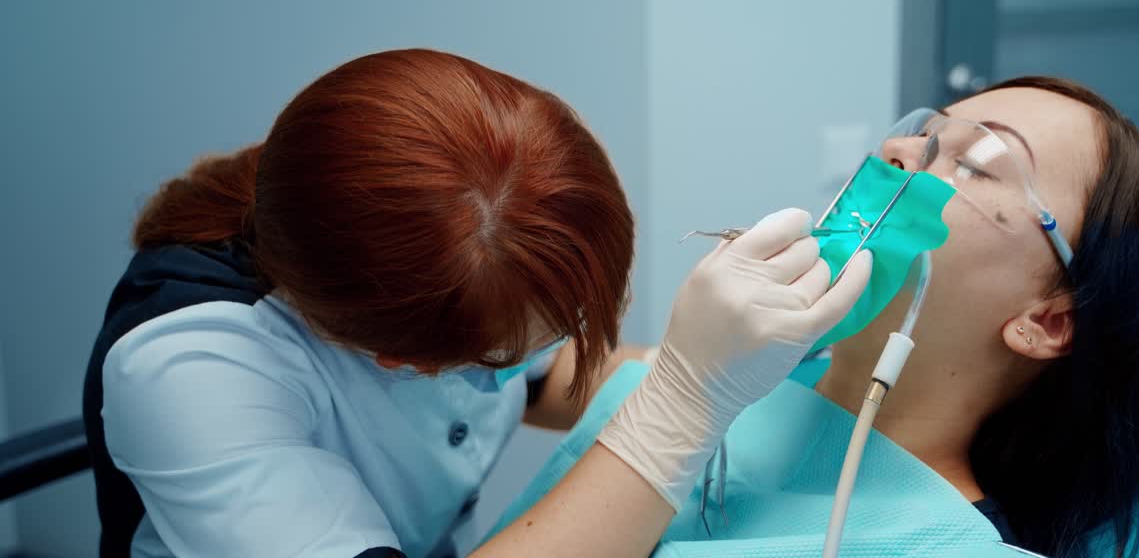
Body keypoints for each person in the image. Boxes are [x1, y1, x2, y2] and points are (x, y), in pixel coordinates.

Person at [84, 48, 872, 558]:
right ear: (400, 359)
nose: (541, 352)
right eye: (506, 350)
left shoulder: (444, 233)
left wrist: (735, 369)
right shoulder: (189, 370)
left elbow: (543, 376)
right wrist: (683, 404)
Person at [492, 76, 1139, 558]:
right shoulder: (730, 387)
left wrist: (676, 404)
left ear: (1047, 322)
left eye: (977, 162)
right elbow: (548, 380)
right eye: (924, 132)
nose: (901, 154)